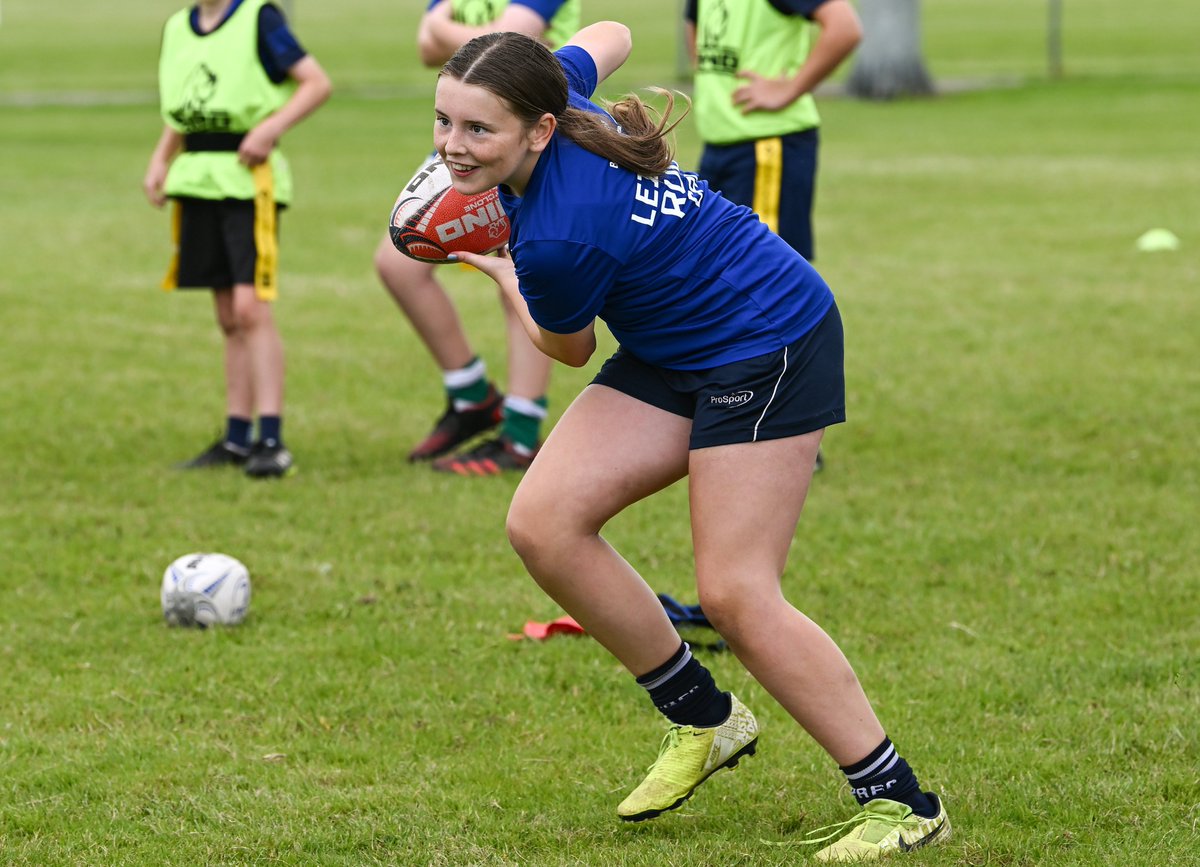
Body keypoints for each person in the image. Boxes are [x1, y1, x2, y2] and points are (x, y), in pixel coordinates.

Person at [435, 23, 951, 860]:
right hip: (676, 343)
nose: (453, 147)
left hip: (769, 336)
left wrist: (495, 264)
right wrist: (540, 83)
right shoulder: (552, 90)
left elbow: (568, 349)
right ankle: (703, 717)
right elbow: (613, 31)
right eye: (443, 121)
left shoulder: (556, 239)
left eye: (476, 129)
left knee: (738, 593)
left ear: (536, 128)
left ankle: (902, 800)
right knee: (545, 522)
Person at [373, 0, 580, 476]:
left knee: (521, 280)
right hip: (462, 136)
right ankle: (472, 399)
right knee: (399, 260)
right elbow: (431, 52)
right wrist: (453, 33)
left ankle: (522, 434)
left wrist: (443, 25)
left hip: (515, 140)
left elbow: (509, 44)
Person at [143, 0, 331, 478]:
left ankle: (271, 438)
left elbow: (315, 82)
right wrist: (161, 158)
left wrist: (270, 128)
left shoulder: (259, 18)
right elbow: (184, 106)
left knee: (251, 308)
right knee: (227, 315)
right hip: (197, 180)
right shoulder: (177, 27)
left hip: (249, 182)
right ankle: (235, 436)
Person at [686, 0, 862, 473]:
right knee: (715, 276)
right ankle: (729, 400)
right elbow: (694, 27)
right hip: (723, 141)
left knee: (766, 283)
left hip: (769, 142)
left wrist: (788, 87)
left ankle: (789, 421)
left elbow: (844, 27)